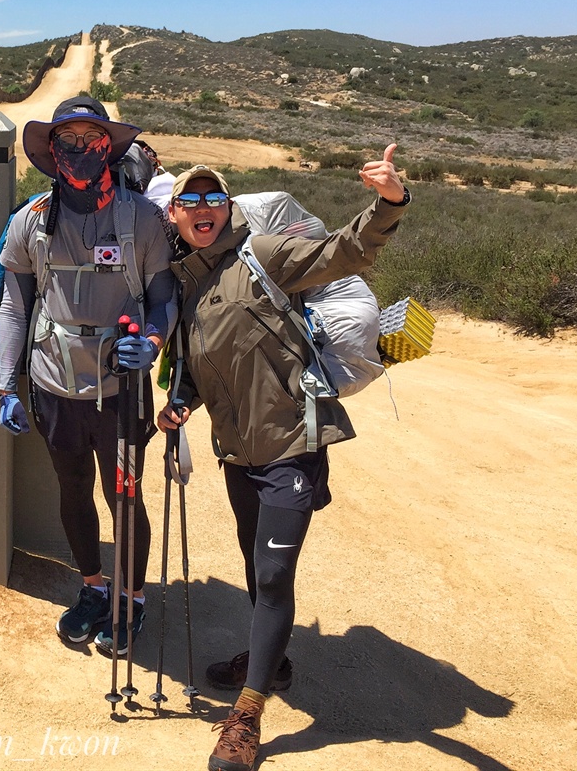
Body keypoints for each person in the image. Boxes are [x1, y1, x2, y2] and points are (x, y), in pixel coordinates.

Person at [158, 148, 408, 771]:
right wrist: (179, 401)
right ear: (174, 216)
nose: (202, 209)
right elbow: (197, 365)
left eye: (213, 198)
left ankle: (245, 718)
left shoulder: (262, 256)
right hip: (237, 453)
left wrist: (388, 204)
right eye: (190, 201)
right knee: (254, 565)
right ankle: (271, 661)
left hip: (291, 444)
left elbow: (341, 252)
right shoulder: (187, 285)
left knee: (272, 577)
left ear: (230, 207)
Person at [0, 96, 176, 655]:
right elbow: (14, 306)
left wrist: (150, 341)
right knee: (71, 488)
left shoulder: (141, 219)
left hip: (121, 386)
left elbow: (164, 295)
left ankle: (133, 596)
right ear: (52, 152)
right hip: (55, 385)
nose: (79, 152)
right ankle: (94, 587)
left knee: (124, 494)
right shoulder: (29, 222)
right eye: (67, 142)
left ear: (108, 148)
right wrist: (8, 383)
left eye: (90, 141)